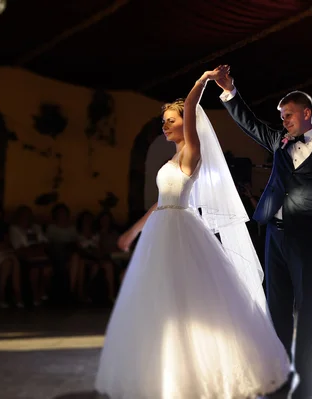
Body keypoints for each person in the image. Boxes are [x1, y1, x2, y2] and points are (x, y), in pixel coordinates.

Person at [94, 66, 289, 399]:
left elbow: (192, 112)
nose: (165, 125)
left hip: (182, 233)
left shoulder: (191, 152)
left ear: (186, 123)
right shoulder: (172, 160)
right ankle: (166, 374)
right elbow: (161, 203)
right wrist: (132, 233)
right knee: (160, 303)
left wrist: (202, 80)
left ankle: (200, 374)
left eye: (172, 120)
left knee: (189, 301)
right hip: (161, 229)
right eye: (164, 121)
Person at [215, 69, 312, 398]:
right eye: (281, 116)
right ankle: (280, 369)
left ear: (306, 113)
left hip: (306, 237)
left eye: (288, 115)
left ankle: (305, 375)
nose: (284, 121)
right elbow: (249, 123)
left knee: (306, 307)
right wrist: (230, 91)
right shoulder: (279, 141)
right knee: (277, 306)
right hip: (274, 235)